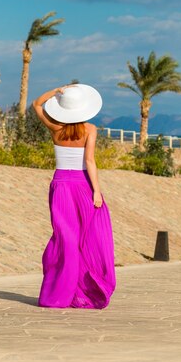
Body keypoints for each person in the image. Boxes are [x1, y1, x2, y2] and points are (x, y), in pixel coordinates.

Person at [32, 83, 116, 309]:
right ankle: (83, 290)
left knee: (65, 238)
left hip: (60, 185)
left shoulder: (55, 127)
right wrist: (97, 190)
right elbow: (89, 161)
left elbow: (36, 104)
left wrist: (56, 91)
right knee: (86, 237)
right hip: (81, 185)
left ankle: (59, 294)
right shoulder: (90, 129)